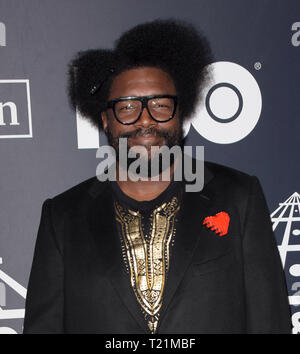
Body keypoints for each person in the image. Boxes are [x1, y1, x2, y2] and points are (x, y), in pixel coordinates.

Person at [23, 19, 291, 334]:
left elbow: (270, 324)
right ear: (106, 120)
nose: (146, 120)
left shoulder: (238, 197)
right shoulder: (63, 217)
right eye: (128, 108)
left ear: (181, 114)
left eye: (160, 105)